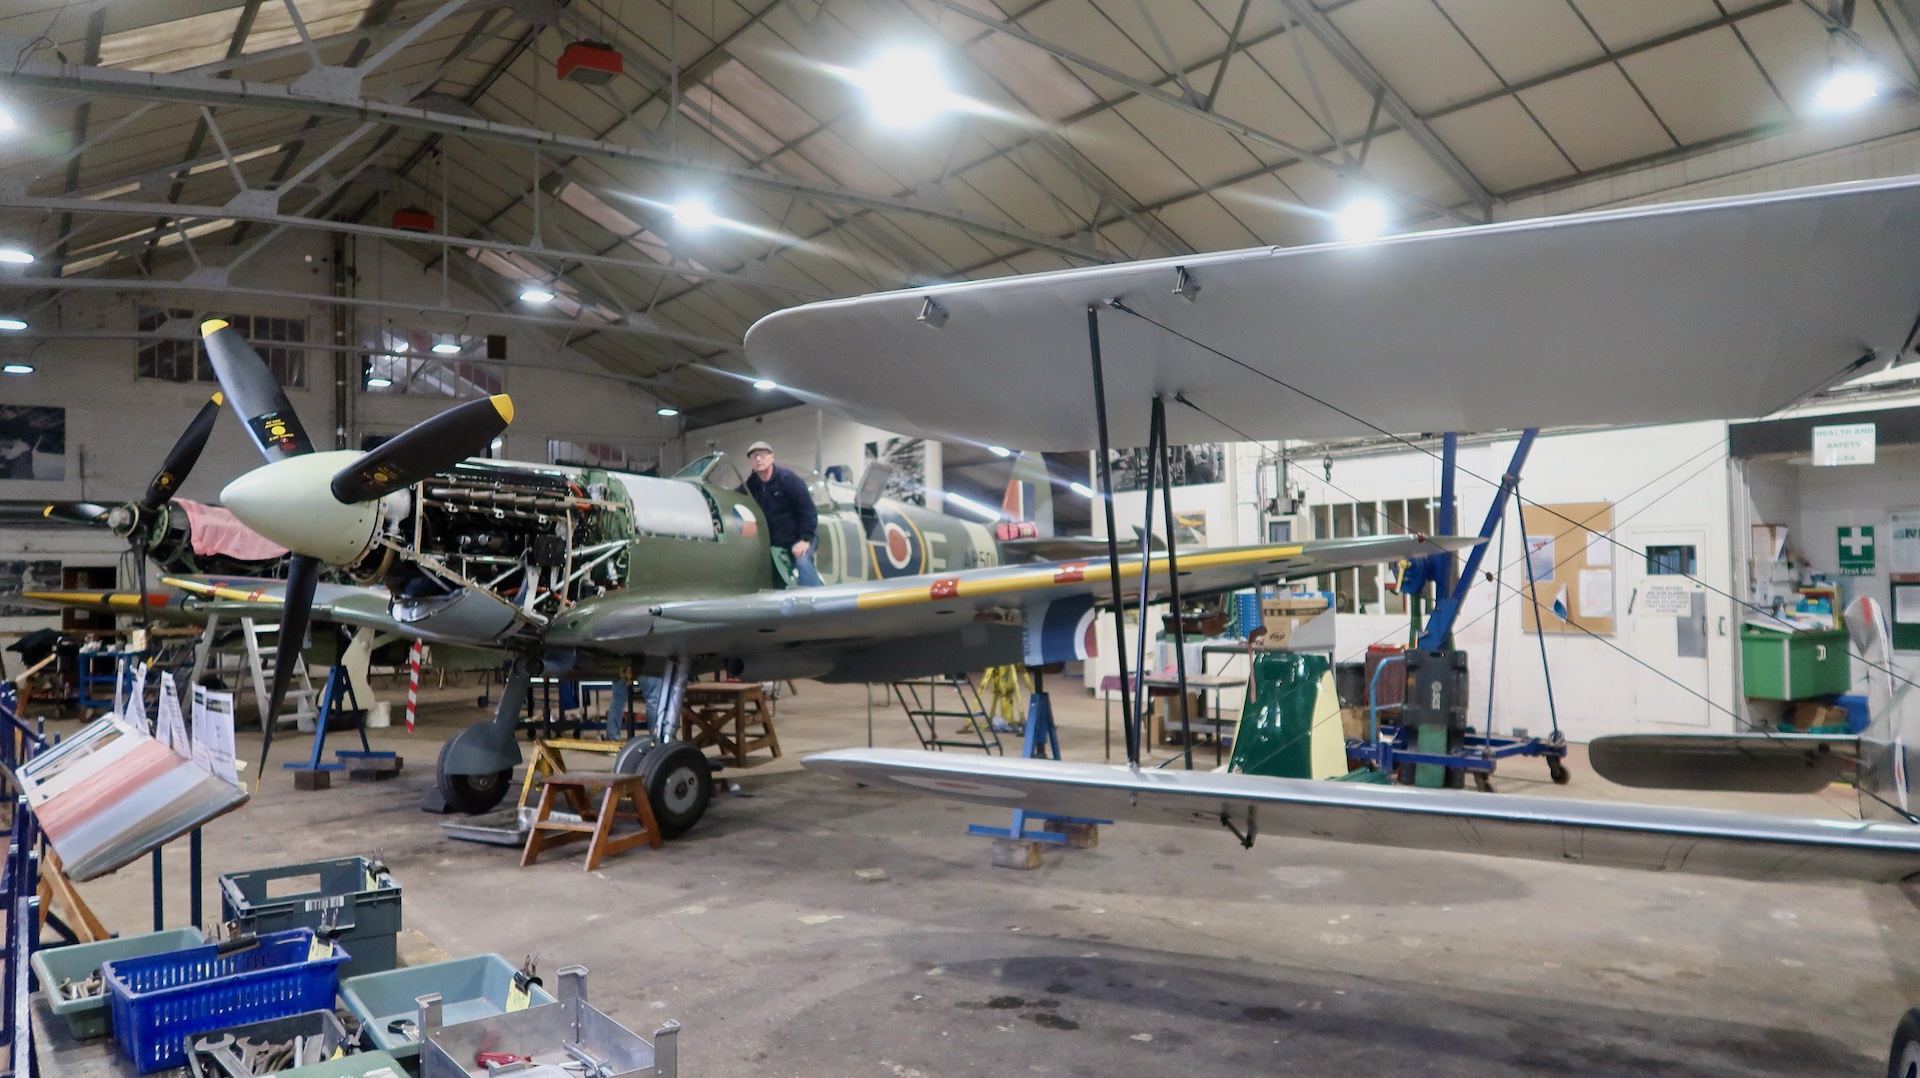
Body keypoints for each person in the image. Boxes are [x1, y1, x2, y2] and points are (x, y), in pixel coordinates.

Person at [741, 440, 821, 587]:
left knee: (803, 561)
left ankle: (817, 596)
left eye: (762, 455)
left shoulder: (788, 479)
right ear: (750, 462)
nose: (758, 459)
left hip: (800, 536)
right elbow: (733, 497)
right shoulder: (751, 485)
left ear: (772, 458)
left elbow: (808, 510)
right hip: (776, 542)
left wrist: (804, 539)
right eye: (753, 456)